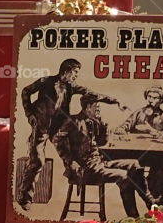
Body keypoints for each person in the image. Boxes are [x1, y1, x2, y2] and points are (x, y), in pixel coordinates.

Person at [15, 60, 120, 207]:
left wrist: (113, 100)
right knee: (37, 161)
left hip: (59, 127)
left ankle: (77, 177)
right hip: (42, 126)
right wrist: (30, 114)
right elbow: (25, 91)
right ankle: (25, 198)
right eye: (75, 72)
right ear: (67, 71)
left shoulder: (71, 87)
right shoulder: (45, 81)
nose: (76, 75)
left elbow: (90, 92)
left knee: (70, 155)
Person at [52, 95, 152, 219]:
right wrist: (70, 161)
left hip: (98, 163)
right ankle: (134, 218)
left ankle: (150, 201)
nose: (98, 110)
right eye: (96, 107)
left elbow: (101, 143)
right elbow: (56, 140)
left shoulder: (94, 122)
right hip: (85, 169)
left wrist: (103, 126)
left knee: (134, 164)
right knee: (123, 176)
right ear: (88, 107)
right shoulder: (72, 121)